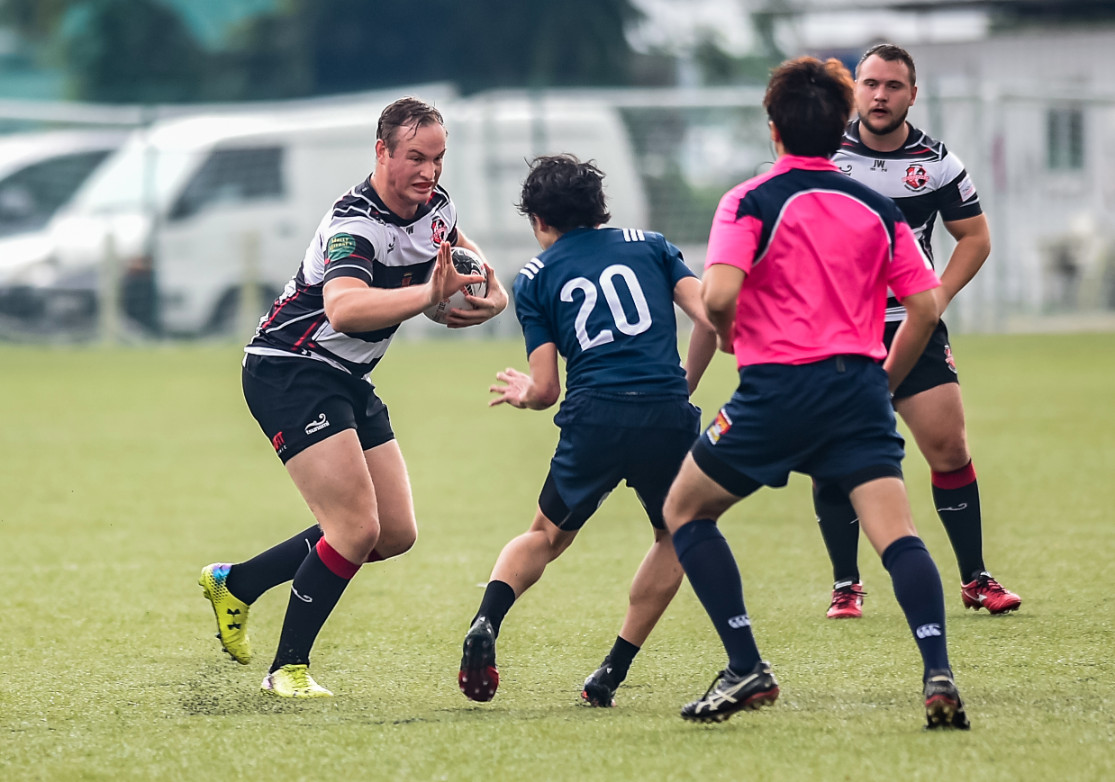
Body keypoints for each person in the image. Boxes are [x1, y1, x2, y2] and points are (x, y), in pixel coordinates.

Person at [663, 56, 970, 729]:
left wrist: (732, 335)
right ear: (840, 130)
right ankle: (937, 671)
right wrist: (883, 381)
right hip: (857, 390)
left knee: (684, 510)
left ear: (773, 128)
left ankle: (746, 665)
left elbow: (718, 294)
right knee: (898, 535)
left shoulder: (747, 200)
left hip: (775, 391)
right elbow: (923, 307)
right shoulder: (877, 206)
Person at [198, 96, 508, 698]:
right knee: (354, 527)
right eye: (415, 157)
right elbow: (343, 308)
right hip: (290, 369)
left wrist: (491, 299)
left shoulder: (437, 208)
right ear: (382, 151)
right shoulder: (354, 225)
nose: (429, 171)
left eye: (438, 158)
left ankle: (237, 583)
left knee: (392, 533)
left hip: (347, 376)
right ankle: (287, 669)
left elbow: (472, 267)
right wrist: (428, 295)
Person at [457, 153, 717, 706]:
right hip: (665, 415)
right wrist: (682, 384)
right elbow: (711, 317)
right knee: (676, 536)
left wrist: (524, 394)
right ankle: (611, 672)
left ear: (539, 221)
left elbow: (546, 389)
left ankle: (486, 621)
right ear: (601, 208)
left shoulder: (534, 276)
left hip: (594, 416)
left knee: (545, 536)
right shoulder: (652, 245)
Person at [819, 43, 1020, 619]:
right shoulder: (826, 155)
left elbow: (974, 237)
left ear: (912, 94)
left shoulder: (936, 162)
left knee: (949, 448)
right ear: (855, 90)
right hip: (838, 330)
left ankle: (975, 579)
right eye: (870, 84)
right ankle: (845, 584)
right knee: (835, 451)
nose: (880, 96)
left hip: (912, 325)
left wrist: (937, 296)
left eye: (893, 86)